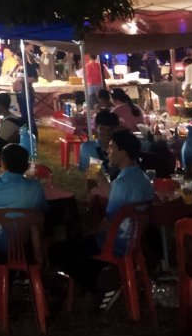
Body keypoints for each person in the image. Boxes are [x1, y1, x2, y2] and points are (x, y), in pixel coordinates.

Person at [50, 129, 154, 301]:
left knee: (58, 251)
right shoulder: (143, 179)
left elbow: (109, 221)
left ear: (124, 153)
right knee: (79, 248)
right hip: (134, 240)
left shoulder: (122, 183)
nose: (107, 150)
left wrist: (89, 231)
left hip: (116, 242)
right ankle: (102, 277)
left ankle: (98, 288)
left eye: (112, 147)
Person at [0, 143, 48, 254]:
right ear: (26, 165)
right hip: (22, 243)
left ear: (3, 165)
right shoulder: (35, 187)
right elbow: (42, 213)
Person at [79, 110, 122, 179]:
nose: (107, 133)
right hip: (99, 186)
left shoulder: (122, 148)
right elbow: (92, 177)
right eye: (102, 129)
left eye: (111, 130)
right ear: (96, 128)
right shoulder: (89, 148)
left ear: (117, 129)